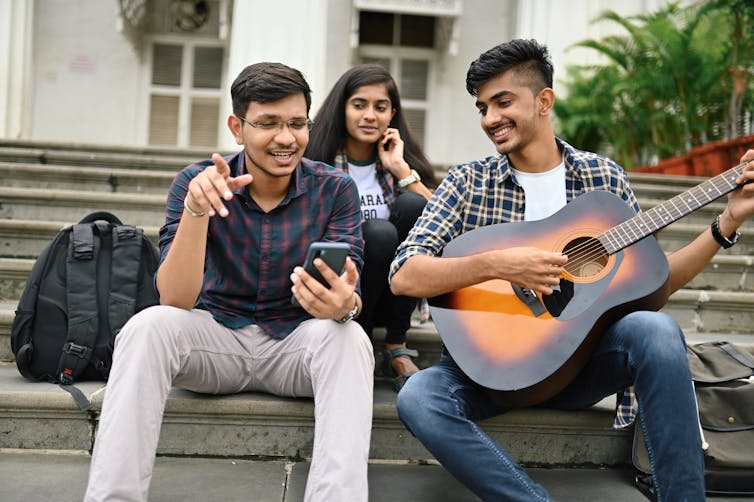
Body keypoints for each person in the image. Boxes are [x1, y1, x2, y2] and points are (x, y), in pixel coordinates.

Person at [389, 39, 754, 501]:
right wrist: (497, 264)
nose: (489, 119)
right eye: (482, 107)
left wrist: (727, 222)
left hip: (584, 363)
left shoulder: (604, 180)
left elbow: (649, 285)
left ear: (545, 101)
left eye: (503, 102)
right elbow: (404, 273)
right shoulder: (467, 182)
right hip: (490, 368)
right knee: (417, 397)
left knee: (657, 329)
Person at [84, 62, 374, 502]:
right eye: (268, 124)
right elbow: (175, 299)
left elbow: (346, 293)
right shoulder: (195, 182)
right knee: (147, 326)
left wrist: (341, 304)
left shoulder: (335, 190)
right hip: (215, 340)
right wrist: (197, 211)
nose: (286, 138)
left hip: (293, 344)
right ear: (237, 127)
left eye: (297, 123)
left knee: (349, 337)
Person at [306, 63, 438, 391]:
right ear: (343, 108)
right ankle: (357, 343)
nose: (369, 115)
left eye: (380, 107)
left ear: (392, 114)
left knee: (412, 205)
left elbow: (441, 221)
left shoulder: (401, 162)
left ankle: (395, 344)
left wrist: (401, 170)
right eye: (359, 105)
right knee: (376, 233)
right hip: (341, 294)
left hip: (391, 300)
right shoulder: (315, 160)